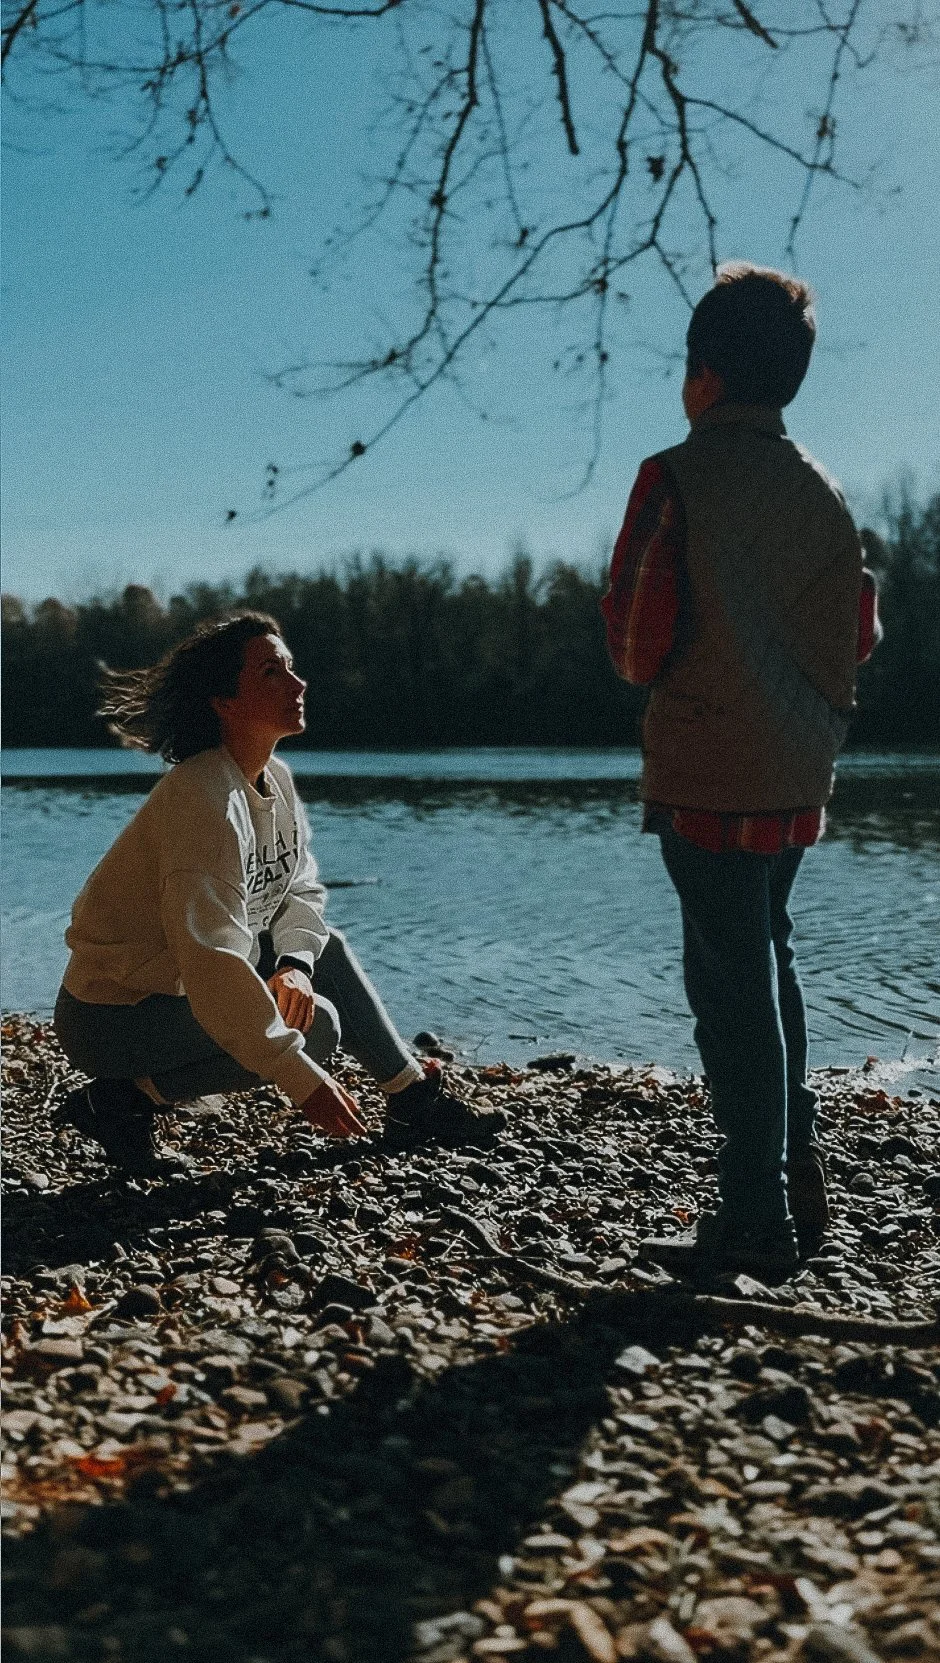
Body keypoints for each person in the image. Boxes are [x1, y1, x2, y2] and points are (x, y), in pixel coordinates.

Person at [601, 263, 880, 1281]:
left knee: (727, 982)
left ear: (703, 376)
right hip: (800, 763)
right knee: (769, 952)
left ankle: (753, 1215)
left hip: (710, 760)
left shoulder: (672, 475)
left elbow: (636, 641)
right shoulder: (824, 490)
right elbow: (859, 632)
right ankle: (796, 1163)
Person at [53, 611, 504, 1175]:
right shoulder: (203, 801)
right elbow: (212, 964)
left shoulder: (275, 777)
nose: (298, 684)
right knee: (318, 1030)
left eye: (291, 668)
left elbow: (300, 887)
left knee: (325, 949)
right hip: (114, 1016)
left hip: (179, 988)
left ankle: (412, 1097)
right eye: (272, 673)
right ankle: (120, 1102)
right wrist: (301, 1080)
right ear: (225, 702)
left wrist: (293, 963)